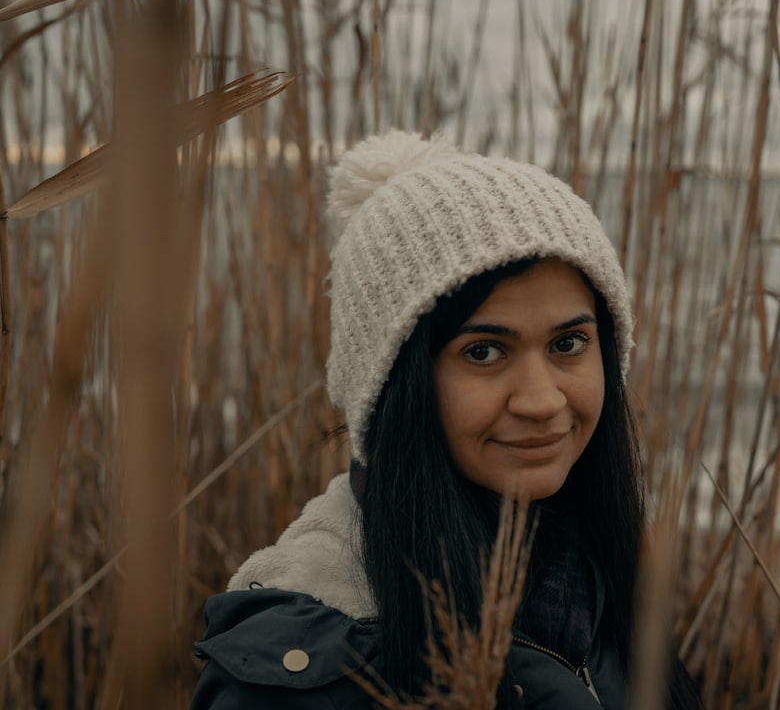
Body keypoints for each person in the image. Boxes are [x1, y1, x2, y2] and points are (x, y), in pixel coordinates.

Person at [191, 131, 699, 708]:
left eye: (569, 343)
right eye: (484, 351)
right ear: (394, 386)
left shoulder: (589, 575)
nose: (542, 401)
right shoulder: (309, 661)